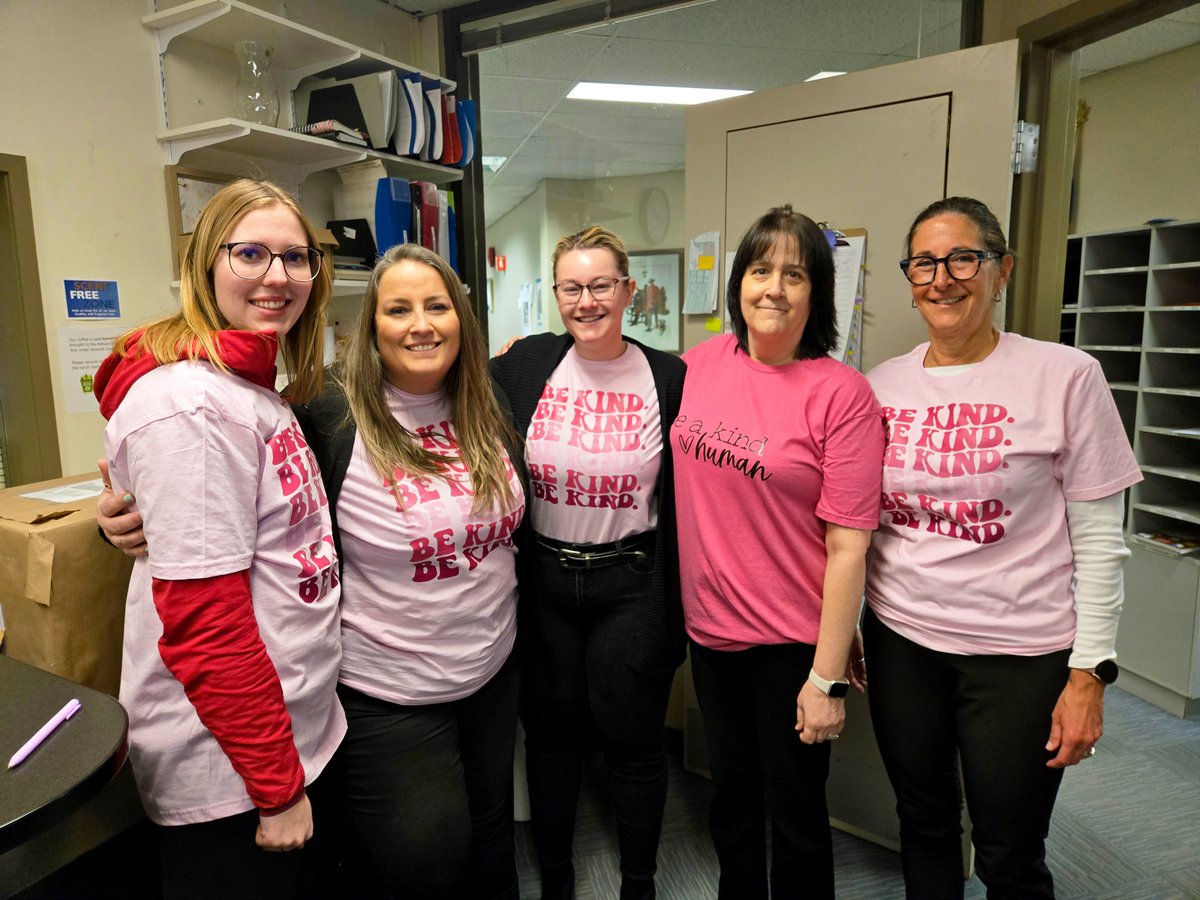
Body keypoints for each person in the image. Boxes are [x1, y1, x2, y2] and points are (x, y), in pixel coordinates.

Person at [101, 243, 528, 899]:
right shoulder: (328, 412)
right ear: (372, 327)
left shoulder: (487, 402)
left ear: (462, 321)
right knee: (428, 859)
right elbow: (224, 500)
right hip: (387, 690)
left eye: (438, 306)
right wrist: (120, 519)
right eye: (399, 309)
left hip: (491, 673)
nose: (422, 324)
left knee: (493, 829)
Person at [864, 196, 1142, 899]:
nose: (942, 278)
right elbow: (865, 523)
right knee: (922, 823)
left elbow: (1102, 541)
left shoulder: (1065, 376)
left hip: (1019, 655)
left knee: (1009, 850)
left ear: (1001, 270)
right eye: (924, 262)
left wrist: (1090, 675)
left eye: (964, 257)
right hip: (902, 641)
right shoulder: (882, 384)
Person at [92, 178, 345, 899]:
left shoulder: (244, 381)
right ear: (206, 263)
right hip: (231, 775)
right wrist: (275, 789)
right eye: (251, 254)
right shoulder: (191, 404)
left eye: (296, 258)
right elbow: (206, 623)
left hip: (281, 741)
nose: (278, 276)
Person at [671, 205, 884, 899]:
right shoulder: (694, 368)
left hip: (792, 645)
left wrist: (826, 680)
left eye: (795, 274)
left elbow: (849, 546)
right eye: (761, 269)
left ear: (817, 292)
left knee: (795, 817)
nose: (774, 288)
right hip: (711, 637)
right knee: (731, 804)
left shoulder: (842, 395)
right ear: (738, 282)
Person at [489, 225, 686, 900]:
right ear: (555, 293)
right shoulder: (524, 364)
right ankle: (557, 880)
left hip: (630, 582)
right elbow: (446, 393)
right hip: (543, 580)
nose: (587, 300)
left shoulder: (669, 375)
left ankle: (639, 883)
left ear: (628, 290)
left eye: (601, 285)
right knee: (550, 739)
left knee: (633, 743)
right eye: (571, 287)